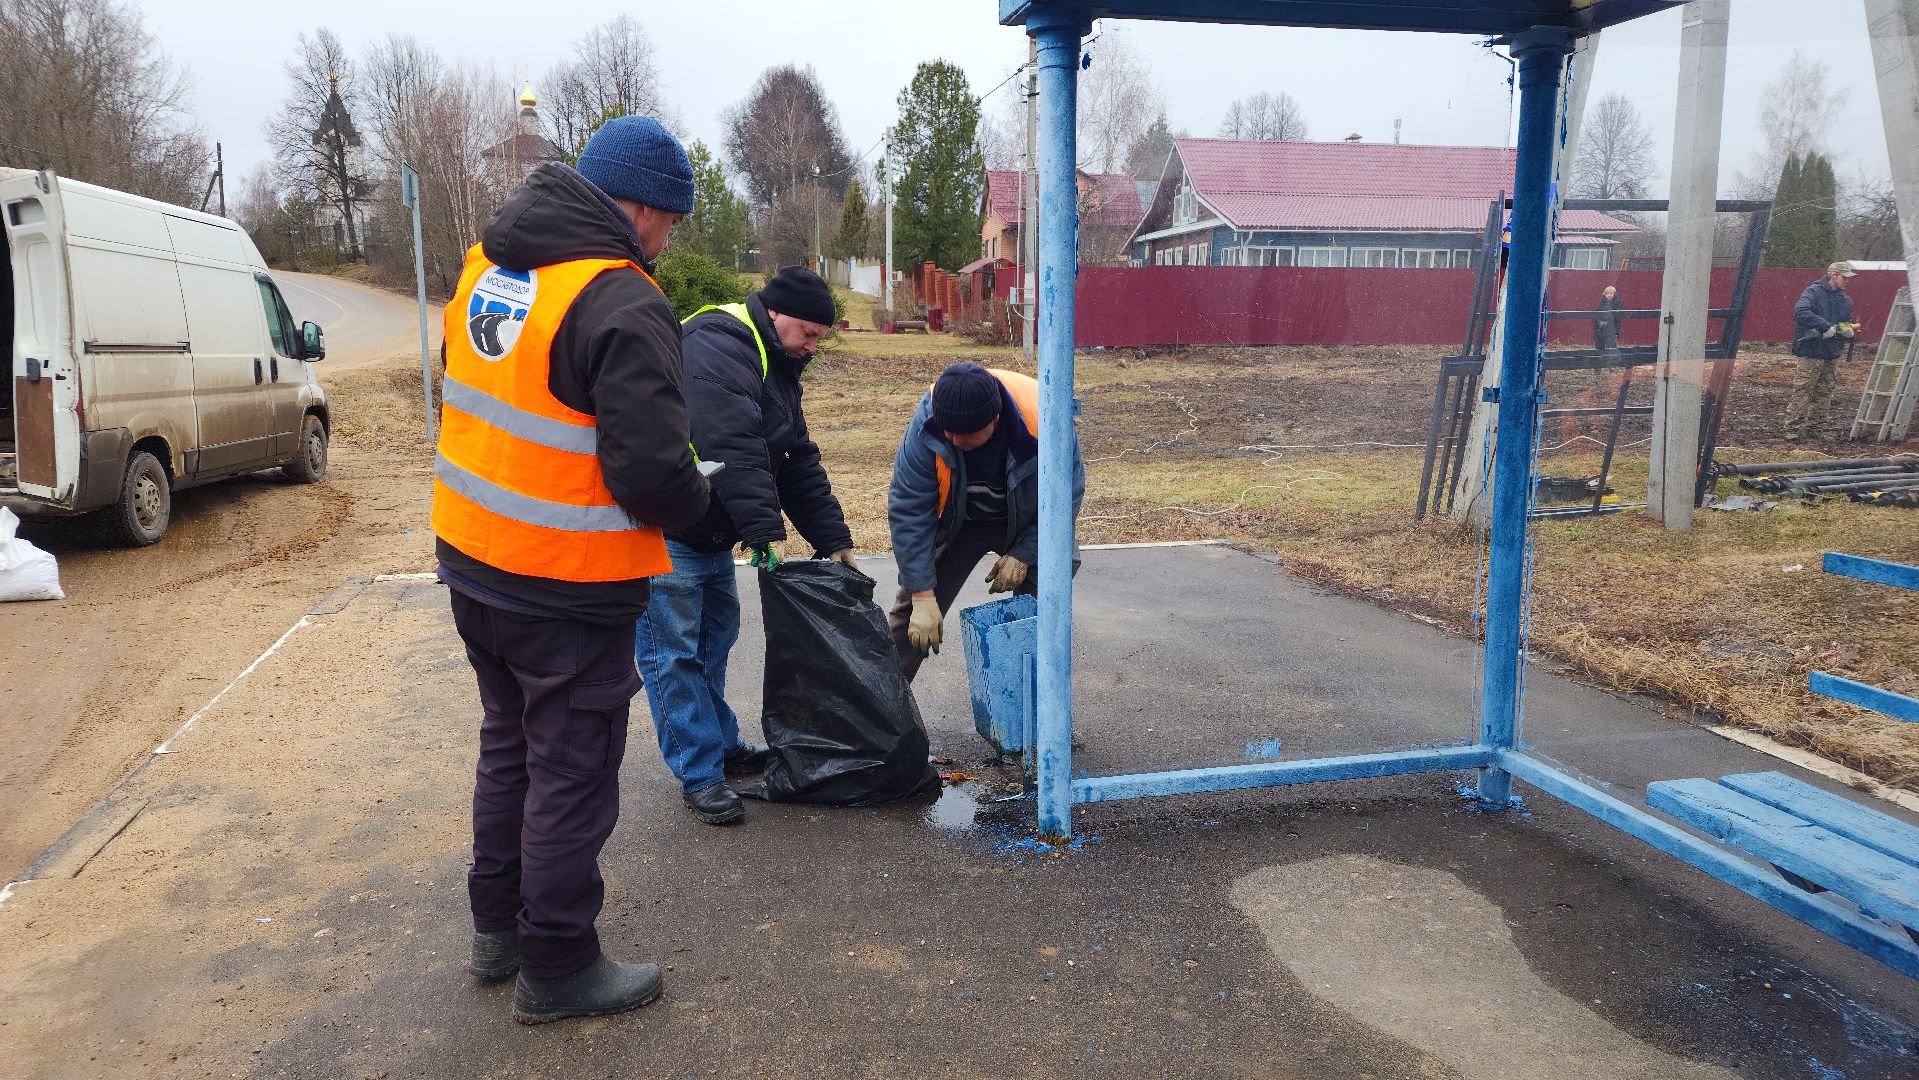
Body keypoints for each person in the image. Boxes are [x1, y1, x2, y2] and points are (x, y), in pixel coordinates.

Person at [433, 116, 710, 1025]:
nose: (668, 243)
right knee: (570, 771)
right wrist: (712, 510)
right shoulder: (621, 299)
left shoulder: (490, 264)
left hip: (473, 559)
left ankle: (496, 933)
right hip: (565, 581)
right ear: (638, 208)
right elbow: (651, 472)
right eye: (670, 222)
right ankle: (557, 965)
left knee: (509, 746)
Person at [636, 266, 856, 826]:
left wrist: (834, 541)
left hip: (708, 529)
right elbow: (728, 439)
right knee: (674, 656)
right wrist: (764, 532)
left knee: (712, 644)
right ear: (776, 313)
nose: (812, 347)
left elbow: (794, 458)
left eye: (819, 338)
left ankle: (721, 746)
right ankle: (699, 773)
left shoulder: (777, 362)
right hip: (664, 531)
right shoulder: (719, 341)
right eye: (807, 333)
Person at [886, 362, 1084, 679]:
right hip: (960, 523)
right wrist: (922, 593)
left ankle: (1035, 707)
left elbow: (1066, 495)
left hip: (1029, 522)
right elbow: (909, 508)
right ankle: (880, 713)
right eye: (948, 431)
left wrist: (1026, 551)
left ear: (994, 419)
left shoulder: (1044, 415)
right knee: (911, 613)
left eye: (966, 436)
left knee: (1044, 604)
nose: (953, 439)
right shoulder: (930, 422)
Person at [1785, 261, 1859, 441]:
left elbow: (1843, 322)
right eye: (1844, 277)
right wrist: (1825, 326)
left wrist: (1849, 331)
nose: (1847, 281)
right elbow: (1800, 312)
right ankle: (1792, 429)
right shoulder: (1813, 292)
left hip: (1830, 353)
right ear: (1833, 276)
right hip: (1810, 352)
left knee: (1825, 391)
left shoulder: (1845, 300)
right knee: (1803, 390)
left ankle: (1816, 428)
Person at [1592, 284, 1623, 354]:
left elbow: (1618, 316)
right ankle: (1600, 360)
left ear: (1614, 294)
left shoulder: (1617, 303)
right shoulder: (1601, 303)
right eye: (1607, 293)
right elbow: (1595, 314)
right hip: (1601, 330)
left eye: (1611, 293)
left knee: (1611, 346)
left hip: (1612, 329)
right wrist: (1600, 322)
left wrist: (1609, 322)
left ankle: (1612, 361)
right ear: (1604, 295)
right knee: (1599, 346)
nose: (1609, 295)